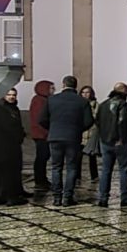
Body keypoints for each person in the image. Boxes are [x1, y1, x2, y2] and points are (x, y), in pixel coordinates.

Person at [40, 75, 94, 206]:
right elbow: (89, 121)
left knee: (56, 167)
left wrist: (52, 128)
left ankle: (57, 197)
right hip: (73, 138)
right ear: (76, 86)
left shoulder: (52, 100)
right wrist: (78, 129)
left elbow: (42, 119)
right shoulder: (82, 101)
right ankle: (67, 197)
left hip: (55, 137)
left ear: (63, 85)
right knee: (71, 167)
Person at [95, 82, 127, 208]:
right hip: (120, 142)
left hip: (105, 142)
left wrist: (104, 137)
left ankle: (103, 198)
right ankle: (125, 197)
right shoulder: (123, 104)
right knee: (124, 169)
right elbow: (123, 123)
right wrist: (124, 140)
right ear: (124, 91)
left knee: (106, 170)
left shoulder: (103, 105)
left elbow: (97, 122)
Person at [29, 80, 54, 195]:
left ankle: (42, 179)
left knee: (43, 157)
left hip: (42, 133)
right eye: (51, 88)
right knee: (42, 157)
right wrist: (46, 131)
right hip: (41, 134)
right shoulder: (39, 101)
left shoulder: (43, 100)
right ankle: (40, 180)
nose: (53, 91)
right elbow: (40, 119)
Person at [79, 86, 100, 182]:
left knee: (92, 157)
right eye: (83, 92)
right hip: (80, 133)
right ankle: (77, 176)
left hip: (92, 133)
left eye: (87, 92)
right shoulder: (78, 104)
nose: (85, 94)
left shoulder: (96, 105)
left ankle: (94, 176)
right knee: (78, 157)